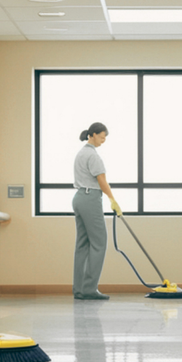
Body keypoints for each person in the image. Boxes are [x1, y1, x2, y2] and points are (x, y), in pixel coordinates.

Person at [73, 122, 121, 300]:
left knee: (82, 245)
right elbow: (102, 181)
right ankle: (89, 289)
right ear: (92, 135)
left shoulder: (81, 153)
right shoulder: (93, 156)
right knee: (99, 243)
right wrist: (112, 200)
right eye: (101, 137)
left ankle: (79, 289)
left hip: (79, 198)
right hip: (90, 198)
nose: (103, 140)